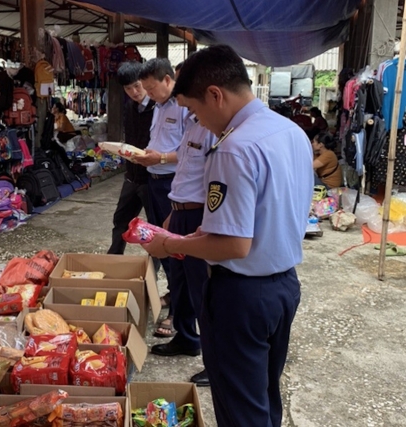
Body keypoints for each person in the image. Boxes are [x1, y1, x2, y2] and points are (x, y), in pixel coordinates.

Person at [141, 45, 313, 427]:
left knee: (240, 410)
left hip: (243, 296)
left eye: (196, 111)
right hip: (283, 286)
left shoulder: (233, 147)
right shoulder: (290, 131)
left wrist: (170, 245)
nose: (199, 122)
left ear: (216, 94)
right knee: (264, 397)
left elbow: (233, 245)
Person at [150, 109, 215, 390]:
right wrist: (172, 214)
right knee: (180, 282)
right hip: (180, 211)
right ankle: (187, 339)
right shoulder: (191, 124)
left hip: (201, 214)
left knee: (204, 290)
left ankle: (216, 363)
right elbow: (185, 173)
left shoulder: (215, 128)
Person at [134, 58, 187, 338]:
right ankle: (173, 292)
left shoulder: (185, 108)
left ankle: (178, 310)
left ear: (168, 80)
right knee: (157, 243)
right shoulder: (159, 106)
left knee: (173, 245)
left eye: (152, 88)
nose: (148, 94)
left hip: (172, 184)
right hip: (154, 181)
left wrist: (162, 157)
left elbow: (193, 151)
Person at [107, 62, 156, 256]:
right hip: (131, 176)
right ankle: (113, 261)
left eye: (137, 85)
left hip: (152, 177)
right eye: (128, 88)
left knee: (155, 226)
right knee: (121, 220)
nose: (134, 92)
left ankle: (152, 270)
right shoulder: (129, 107)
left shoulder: (157, 107)